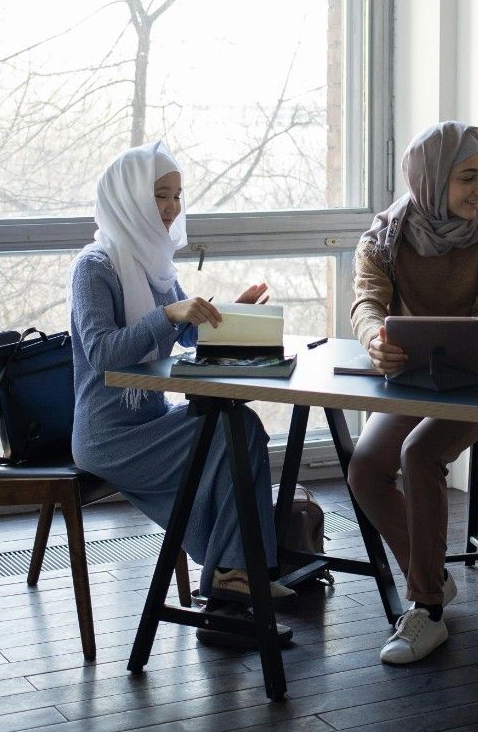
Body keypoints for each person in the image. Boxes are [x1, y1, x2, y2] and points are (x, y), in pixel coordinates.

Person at [69, 141, 293, 640]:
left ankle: (234, 574)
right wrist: (168, 314)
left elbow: (183, 336)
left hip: (148, 422)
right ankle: (235, 574)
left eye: (176, 197)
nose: (170, 209)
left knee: (238, 427)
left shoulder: (154, 264)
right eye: (159, 197)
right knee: (231, 433)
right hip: (110, 438)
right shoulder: (94, 268)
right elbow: (103, 350)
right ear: (128, 199)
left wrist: (226, 313)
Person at [346, 120, 478, 665]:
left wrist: (473, 337)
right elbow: (366, 302)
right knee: (365, 469)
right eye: (469, 177)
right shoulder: (385, 235)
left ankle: (426, 610)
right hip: (413, 379)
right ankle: (435, 577)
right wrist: (375, 337)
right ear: (431, 179)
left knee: (419, 453)